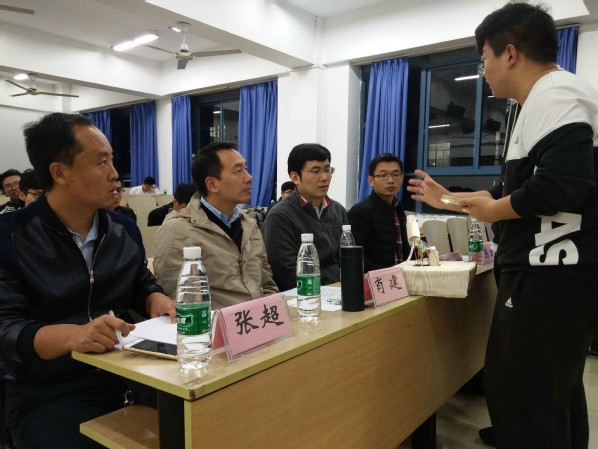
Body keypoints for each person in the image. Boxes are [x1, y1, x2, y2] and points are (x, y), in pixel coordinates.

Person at [408, 4, 598, 448]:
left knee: (524, 400)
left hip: (549, 277)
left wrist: (493, 211)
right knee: (555, 395)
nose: (484, 71)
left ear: (509, 53)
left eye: (484, 58)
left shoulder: (553, 96)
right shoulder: (549, 98)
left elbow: (562, 186)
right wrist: (449, 200)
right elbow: (513, 193)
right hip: (555, 279)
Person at [0, 112, 175, 449]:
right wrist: (76, 335)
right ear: (59, 172)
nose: (114, 174)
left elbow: (140, 281)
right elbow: (6, 330)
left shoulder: (122, 229)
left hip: (127, 372)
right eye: (101, 162)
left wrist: (156, 298)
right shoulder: (11, 237)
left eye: (112, 160)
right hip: (48, 390)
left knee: (207, 422)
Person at [154, 142, 278, 309]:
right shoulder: (177, 230)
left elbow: (267, 285)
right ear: (212, 184)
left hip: (259, 318)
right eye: (238, 171)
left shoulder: (249, 225)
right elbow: (177, 301)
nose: (249, 177)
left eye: (246, 169)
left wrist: (271, 311)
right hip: (215, 322)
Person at [263, 143, 348, 291]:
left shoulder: (337, 210)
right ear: (295, 177)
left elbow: (347, 259)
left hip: (340, 290)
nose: (325, 177)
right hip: (304, 295)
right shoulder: (280, 216)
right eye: (316, 171)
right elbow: (286, 273)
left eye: (327, 170)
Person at [347, 153, 411, 272]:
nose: (390, 180)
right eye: (383, 175)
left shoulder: (399, 207)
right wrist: (384, 274)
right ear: (371, 180)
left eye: (396, 174)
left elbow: (403, 248)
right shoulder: (360, 211)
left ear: (402, 178)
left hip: (402, 276)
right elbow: (354, 255)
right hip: (377, 278)